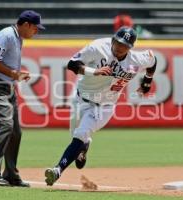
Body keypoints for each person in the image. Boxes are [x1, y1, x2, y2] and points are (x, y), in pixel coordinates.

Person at [44, 26, 157, 186]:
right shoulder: (97, 47)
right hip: (80, 99)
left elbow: (153, 61)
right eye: (118, 43)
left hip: (104, 106)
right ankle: (84, 147)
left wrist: (147, 82)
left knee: (80, 134)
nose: (120, 48)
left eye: (125, 46)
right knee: (75, 136)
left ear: (130, 48)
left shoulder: (137, 59)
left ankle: (57, 170)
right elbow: (72, 64)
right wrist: (93, 71)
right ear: (113, 40)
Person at [0, 10, 45, 187]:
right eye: (35, 28)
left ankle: (10, 174)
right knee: (6, 125)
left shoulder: (17, 37)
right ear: (26, 24)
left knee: (16, 131)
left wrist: (15, 76)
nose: (37, 31)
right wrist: (13, 74)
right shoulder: (7, 35)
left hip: (7, 87)